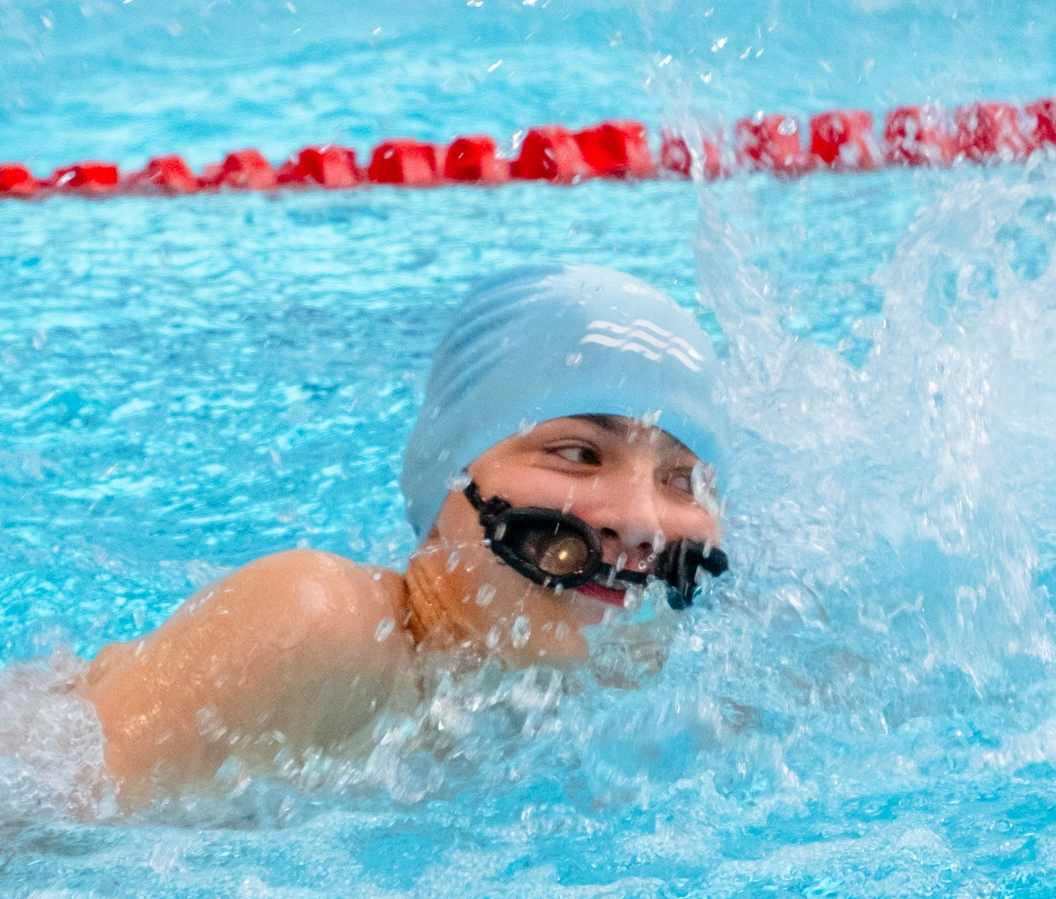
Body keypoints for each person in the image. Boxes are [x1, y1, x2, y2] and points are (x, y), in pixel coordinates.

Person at [80, 262, 734, 798]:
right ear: (450, 472)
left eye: (681, 481)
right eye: (576, 453)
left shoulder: (653, 680)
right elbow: (24, 841)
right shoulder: (320, 624)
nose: (643, 523)